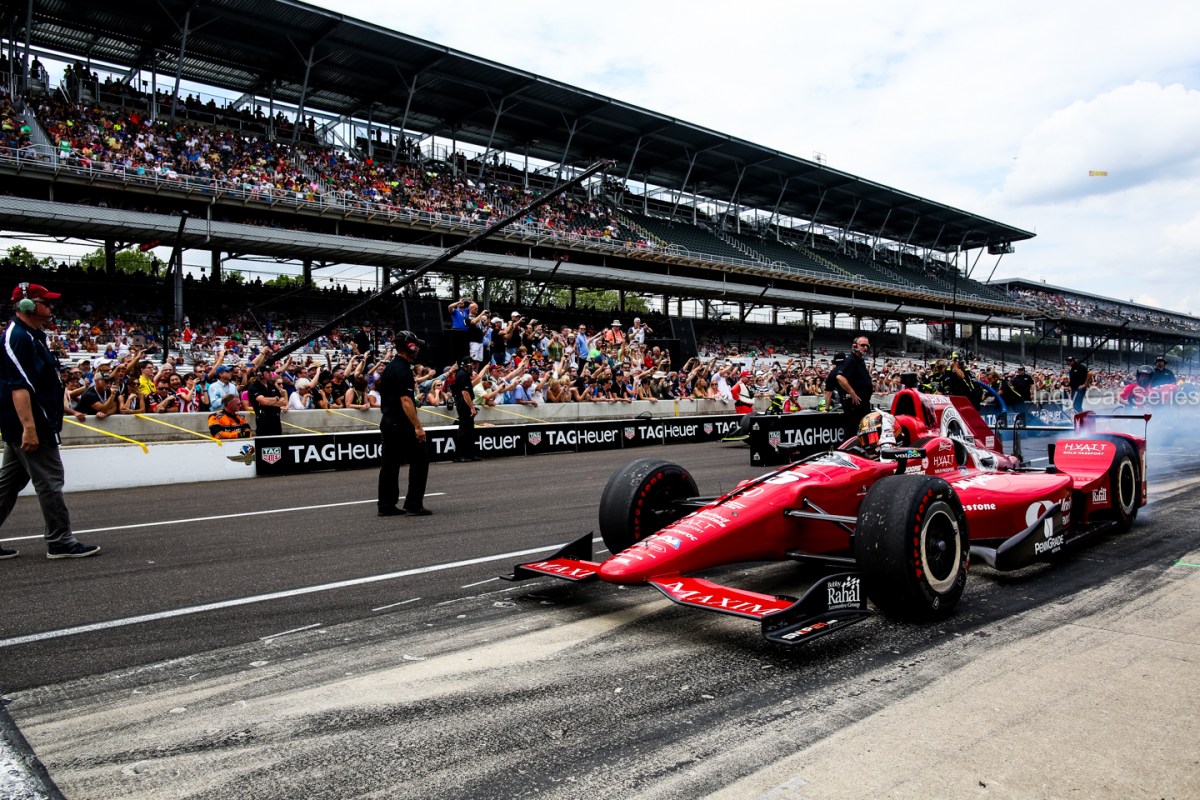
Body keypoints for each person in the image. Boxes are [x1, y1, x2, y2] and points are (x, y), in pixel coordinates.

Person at [0, 283, 100, 559]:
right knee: (50, 481)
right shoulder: (18, 337)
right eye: (46, 303)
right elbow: (18, 386)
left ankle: (60, 539)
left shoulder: (32, 335)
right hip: (33, 423)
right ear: (27, 306)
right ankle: (60, 541)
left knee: (8, 484)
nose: (51, 308)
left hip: (32, 421)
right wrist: (29, 428)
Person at [377, 330, 431, 517]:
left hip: (388, 420)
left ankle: (385, 505)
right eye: (415, 346)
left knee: (390, 464)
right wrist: (418, 426)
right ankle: (414, 503)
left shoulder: (391, 367)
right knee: (420, 460)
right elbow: (406, 401)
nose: (418, 349)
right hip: (401, 422)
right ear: (410, 347)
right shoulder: (403, 369)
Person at [836, 336, 874, 434]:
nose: (865, 348)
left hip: (863, 403)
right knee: (853, 430)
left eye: (867, 346)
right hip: (855, 405)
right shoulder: (851, 360)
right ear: (855, 346)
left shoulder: (860, 360)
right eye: (862, 345)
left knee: (863, 431)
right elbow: (840, 377)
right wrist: (852, 392)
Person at [449, 358, 479, 462]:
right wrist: (472, 407)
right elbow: (465, 393)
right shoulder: (463, 375)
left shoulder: (463, 374)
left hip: (465, 402)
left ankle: (469, 454)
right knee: (464, 429)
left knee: (469, 429)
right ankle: (459, 455)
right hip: (463, 403)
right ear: (466, 365)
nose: (473, 367)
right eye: (471, 365)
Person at [247, 367, 287, 437]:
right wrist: (276, 399)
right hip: (263, 421)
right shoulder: (254, 387)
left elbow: (283, 402)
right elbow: (263, 401)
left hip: (276, 421)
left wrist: (272, 400)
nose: (271, 373)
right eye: (268, 372)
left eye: (271, 371)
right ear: (260, 374)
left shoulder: (271, 386)